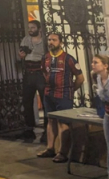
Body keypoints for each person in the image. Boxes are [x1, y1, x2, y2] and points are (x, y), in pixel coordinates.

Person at [38, 32, 84, 162]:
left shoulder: (68, 58)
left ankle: (62, 152)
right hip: (49, 94)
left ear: (61, 42)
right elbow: (44, 73)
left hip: (63, 95)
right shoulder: (45, 58)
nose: (51, 42)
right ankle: (50, 148)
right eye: (49, 40)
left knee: (63, 122)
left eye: (54, 40)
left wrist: (70, 90)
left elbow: (80, 78)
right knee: (51, 120)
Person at [18, 20, 46, 142]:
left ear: (39, 29)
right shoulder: (26, 39)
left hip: (40, 72)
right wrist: (21, 55)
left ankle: (47, 129)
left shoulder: (44, 41)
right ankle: (29, 129)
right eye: (29, 27)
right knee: (27, 101)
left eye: (33, 27)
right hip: (29, 72)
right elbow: (21, 54)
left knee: (45, 101)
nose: (30, 30)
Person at [92, 54, 109, 179]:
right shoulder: (98, 78)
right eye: (92, 62)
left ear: (105, 65)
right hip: (107, 115)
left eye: (96, 62)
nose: (92, 65)